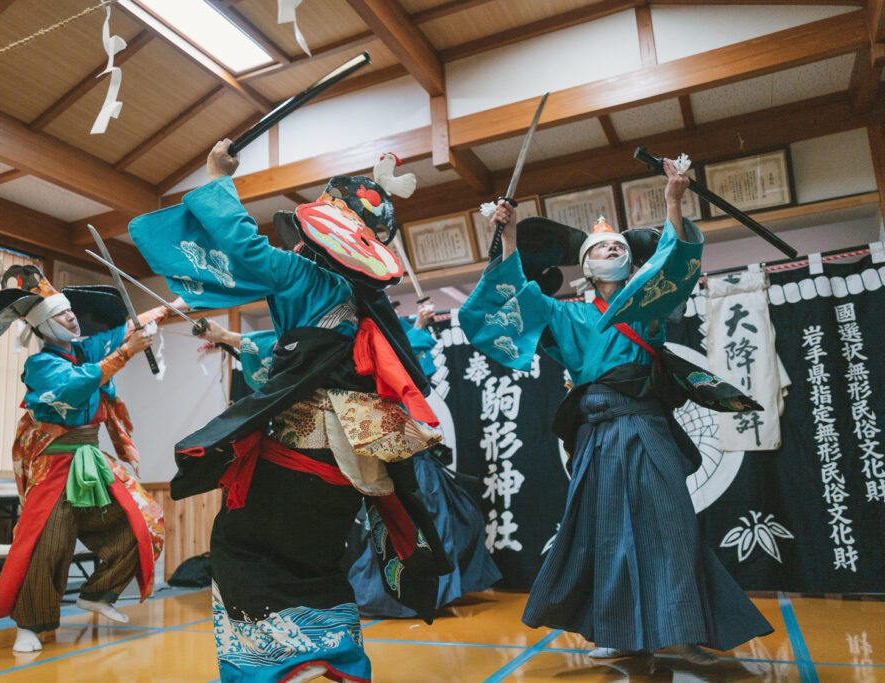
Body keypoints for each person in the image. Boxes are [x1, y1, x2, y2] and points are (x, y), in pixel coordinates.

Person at [129, 139, 451, 682]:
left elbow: (243, 248)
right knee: (318, 561)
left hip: (297, 448)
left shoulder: (306, 277)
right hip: (351, 462)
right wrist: (224, 334)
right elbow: (292, 350)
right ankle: (335, 657)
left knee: (240, 546)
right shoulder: (361, 301)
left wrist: (216, 178)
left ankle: (277, 664)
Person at [458, 157, 772, 664]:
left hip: (646, 426)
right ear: (585, 265)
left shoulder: (645, 301)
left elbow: (672, 262)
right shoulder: (564, 312)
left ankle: (685, 629)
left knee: (673, 525)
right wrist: (509, 236)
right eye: (601, 246)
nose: (610, 248)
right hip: (596, 433)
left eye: (620, 247)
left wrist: (673, 198)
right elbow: (510, 301)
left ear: (631, 265)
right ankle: (618, 631)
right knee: (606, 531)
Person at [200, 299, 502, 620]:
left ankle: (422, 589)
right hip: (329, 449)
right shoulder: (316, 338)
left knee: (429, 519)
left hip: (371, 444)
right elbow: (279, 346)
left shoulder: (367, 338)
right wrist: (227, 336)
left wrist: (418, 328)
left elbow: (402, 359)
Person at [0, 265, 174, 653]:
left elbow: (123, 332)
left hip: (92, 458)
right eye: (61, 314)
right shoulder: (41, 365)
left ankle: (98, 592)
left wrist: (172, 306)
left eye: (70, 311)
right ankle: (30, 625)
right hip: (56, 463)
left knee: (143, 522)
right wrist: (126, 352)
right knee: (48, 544)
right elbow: (74, 387)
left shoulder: (82, 350)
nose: (71, 317)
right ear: (43, 326)